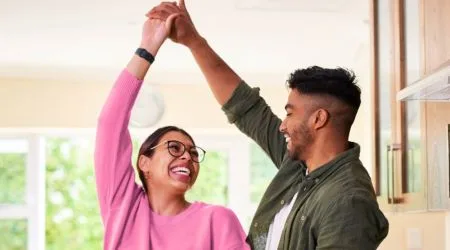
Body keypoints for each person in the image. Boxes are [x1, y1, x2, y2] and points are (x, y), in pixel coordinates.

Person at [149, 1, 390, 249]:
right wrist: (193, 42)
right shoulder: (299, 165)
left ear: (318, 119)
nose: (283, 126)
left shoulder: (348, 201)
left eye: (290, 113)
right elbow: (247, 109)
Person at [94, 8, 250, 250]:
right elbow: (109, 125)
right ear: (144, 163)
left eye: (193, 153)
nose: (188, 156)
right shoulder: (123, 209)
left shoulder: (216, 220)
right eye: (174, 148)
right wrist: (148, 48)